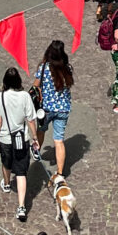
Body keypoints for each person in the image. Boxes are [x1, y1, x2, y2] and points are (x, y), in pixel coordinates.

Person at [0, 66, 39, 223]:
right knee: (21, 172)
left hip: (5, 139)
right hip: (21, 139)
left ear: (5, 81)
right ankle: (21, 207)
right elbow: (31, 119)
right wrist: (35, 138)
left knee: (6, 164)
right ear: (18, 81)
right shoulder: (25, 96)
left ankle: (6, 184)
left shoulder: (0, 97)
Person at [35, 39, 74, 178]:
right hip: (63, 108)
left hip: (46, 109)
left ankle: (37, 151)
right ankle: (60, 172)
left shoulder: (44, 68)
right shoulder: (67, 68)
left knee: (41, 130)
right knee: (59, 141)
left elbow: (36, 86)